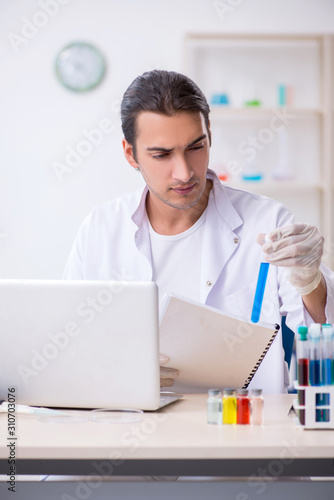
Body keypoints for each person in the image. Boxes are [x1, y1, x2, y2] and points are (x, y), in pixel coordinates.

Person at [63, 70, 334, 393]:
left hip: (244, 427)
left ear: (209, 136)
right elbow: (72, 348)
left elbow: (321, 332)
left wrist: (309, 280)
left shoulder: (267, 221)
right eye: (162, 155)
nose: (185, 172)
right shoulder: (101, 229)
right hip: (131, 419)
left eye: (196, 146)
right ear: (130, 153)